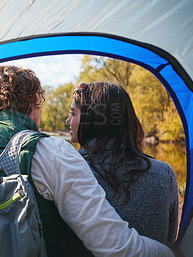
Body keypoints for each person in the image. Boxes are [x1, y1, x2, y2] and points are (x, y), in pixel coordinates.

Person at [0, 66, 176, 257]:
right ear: (33, 103)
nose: (64, 121)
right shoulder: (50, 152)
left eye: (73, 114)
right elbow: (115, 246)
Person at [66, 81, 179, 254]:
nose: (68, 121)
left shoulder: (67, 170)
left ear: (93, 119)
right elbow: (168, 243)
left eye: (73, 113)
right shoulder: (164, 174)